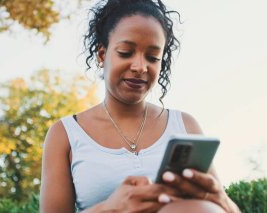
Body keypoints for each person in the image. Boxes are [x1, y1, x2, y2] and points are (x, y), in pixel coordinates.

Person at [40, 0, 240, 212]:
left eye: (153, 58)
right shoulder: (66, 134)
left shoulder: (185, 126)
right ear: (102, 55)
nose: (140, 67)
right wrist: (110, 209)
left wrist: (222, 201)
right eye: (126, 52)